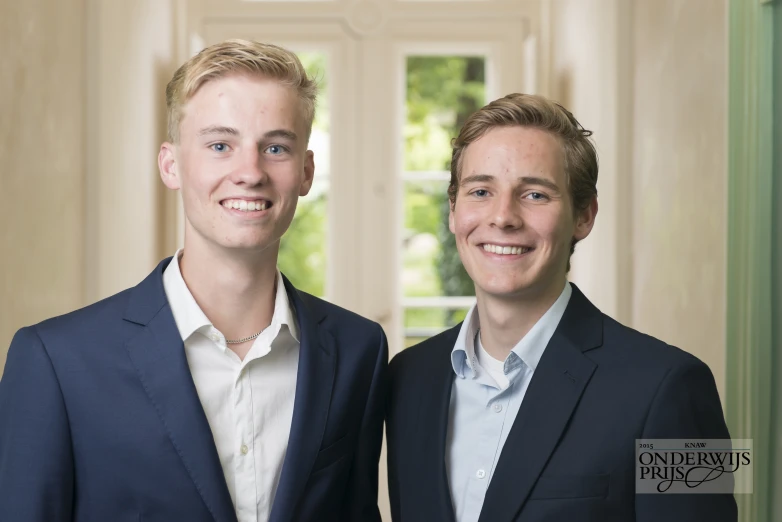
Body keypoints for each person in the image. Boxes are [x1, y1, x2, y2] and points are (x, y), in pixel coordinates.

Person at [0, 39, 387, 522]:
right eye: (220, 145)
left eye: (275, 147)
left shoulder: (358, 350)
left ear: (305, 172)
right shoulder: (57, 359)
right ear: (171, 164)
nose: (250, 172)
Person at [386, 93, 736, 522]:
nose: (503, 217)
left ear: (584, 216)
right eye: (480, 191)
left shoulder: (681, 383)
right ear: (453, 211)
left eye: (534, 194)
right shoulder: (407, 377)